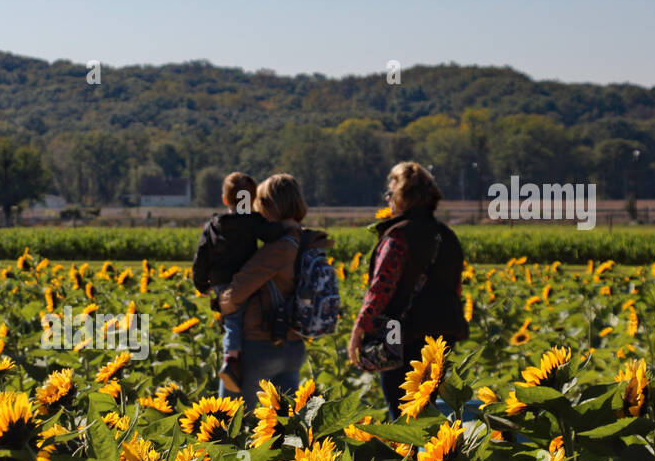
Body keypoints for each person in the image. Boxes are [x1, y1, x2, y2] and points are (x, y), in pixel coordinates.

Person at [348, 162, 469, 419]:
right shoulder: (446, 236)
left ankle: (411, 457)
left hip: (399, 335)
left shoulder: (398, 237)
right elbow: (455, 287)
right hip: (440, 336)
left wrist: (359, 330)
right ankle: (425, 456)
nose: (388, 199)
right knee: (426, 407)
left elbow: (381, 289)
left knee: (401, 412)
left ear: (403, 197)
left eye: (391, 193)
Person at [218, 173, 330, 411]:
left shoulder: (279, 249)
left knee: (233, 420)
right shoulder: (309, 241)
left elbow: (237, 291)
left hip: (261, 346)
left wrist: (221, 302)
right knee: (281, 427)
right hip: (294, 347)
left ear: (268, 206)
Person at [192, 172, 298, 393]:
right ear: (252, 201)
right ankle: (231, 359)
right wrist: (287, 227)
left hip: (221, 282)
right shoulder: (253, 221)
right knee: (237, 318)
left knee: (231, 320)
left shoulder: (213, 224)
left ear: (224, 199)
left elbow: (201, 257)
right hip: (242, 281)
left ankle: (230, 357)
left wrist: (202, 284)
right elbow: (271, 234)